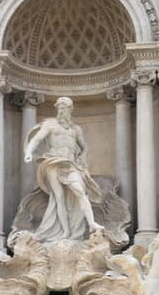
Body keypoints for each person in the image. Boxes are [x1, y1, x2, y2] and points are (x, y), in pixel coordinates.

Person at [23, 96, 104, 241]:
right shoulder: (50, 124)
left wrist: (82, 161)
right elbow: (36, 139)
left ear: (70, 110)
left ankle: (91, 223)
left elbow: (84, 148)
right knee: (59, 197)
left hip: (70, 164)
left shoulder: (76, 129)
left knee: (80, 191)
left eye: (64, 108)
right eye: (59, 108)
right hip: (53, 161)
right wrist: (29, 152)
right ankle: (66, 232)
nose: (61, 110)